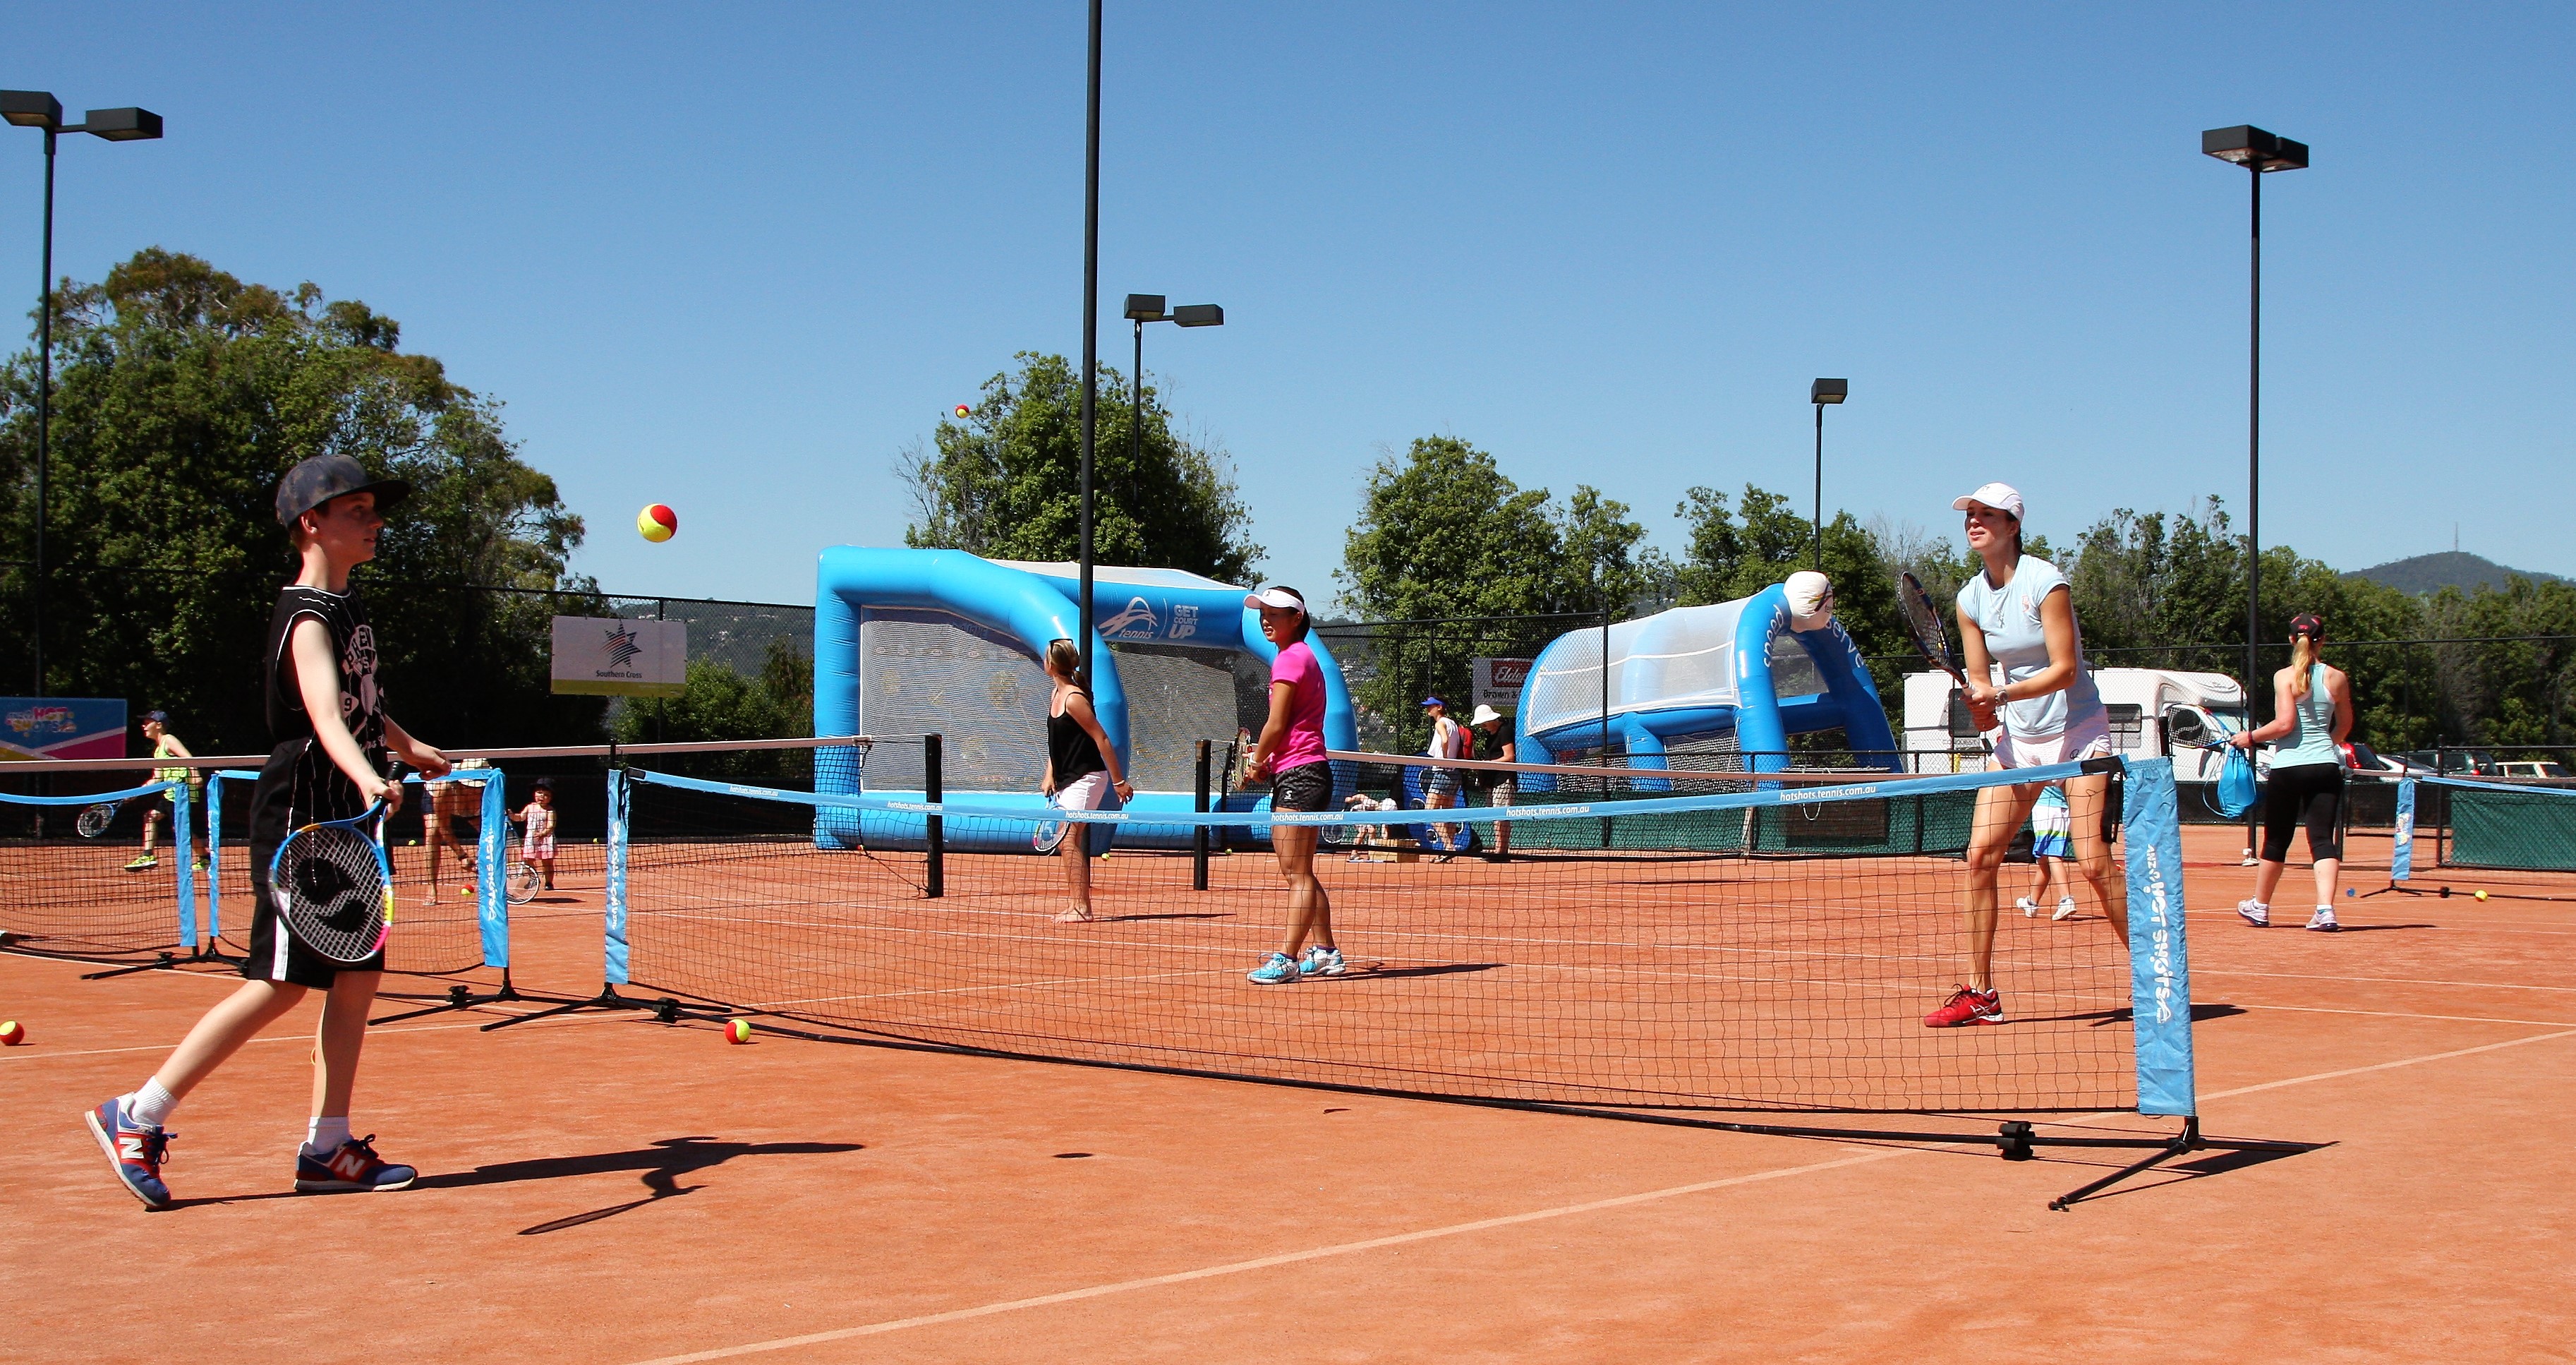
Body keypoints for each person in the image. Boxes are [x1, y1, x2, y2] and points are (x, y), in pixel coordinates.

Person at [86, 454, 449, 1209]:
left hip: (348, 818)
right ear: (310, 523)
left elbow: (355, 704)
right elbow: (322, 714)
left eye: (375, 509)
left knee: (358, 976)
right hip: (305, 814)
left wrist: (404, 744)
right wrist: (367, 772)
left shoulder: (350, 612)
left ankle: (328, 1145)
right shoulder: (306, 616)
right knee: (282, 980)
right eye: (357, 510)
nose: (375, 519)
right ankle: (139, 1112)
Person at [1928, 482, 2129, 1028]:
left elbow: (2065, 668)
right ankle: (1980, 993)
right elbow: (1978, 680)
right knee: (1979, 857)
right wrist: (1982, 706)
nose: (1974, 522)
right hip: (2018, 743)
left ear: (2012, 525)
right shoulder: (1969, 599)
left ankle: (2158, 975)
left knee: (2091, 861)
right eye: (1969, 515)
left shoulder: (2045, 582)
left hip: (2076, 732)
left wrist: (2003, 695)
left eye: (1986, 515)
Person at [1242, 585, 1342, 983]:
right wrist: (1269, 758)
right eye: (1263, 612)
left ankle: (1287, 958)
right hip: (1302, 770)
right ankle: (1327, 952)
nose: (1267, 619)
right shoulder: (1305, 657)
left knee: (1295, 873)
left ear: (1296, 618)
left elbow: (1277, 724)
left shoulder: (1289, 660)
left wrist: (1256, 759)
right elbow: (1287, 729)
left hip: (1302, 775)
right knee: (1301, 870)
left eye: (1276, 614)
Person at [2231, 613, 2353, 931]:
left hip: (2288, 768)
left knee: (2276, 840)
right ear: (2323, 640)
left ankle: (2260, 906)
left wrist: (2250, 737)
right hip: (2325, 767)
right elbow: (2345, 724)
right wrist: (2329, 745)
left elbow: (2285, 724)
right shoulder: (2337, 678)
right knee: (2323, 839)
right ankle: (2325, 910)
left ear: (2290, 640)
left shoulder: (2283, 676)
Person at [1039, 638, 1134, 923]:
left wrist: (1119, 782)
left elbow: (1102, 738)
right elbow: (1059, 742)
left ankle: (1081, 906)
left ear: (1053, 664)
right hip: (1068, 778)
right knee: (1069, 841)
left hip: (1088, 777)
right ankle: (1077, 903)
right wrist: (1050, 774)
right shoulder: (1056, 694)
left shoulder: (1074, 699)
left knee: (1069, 839)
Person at [128, 711, 204, 874]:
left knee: (182, 830)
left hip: (182, 792)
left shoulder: (169, 740)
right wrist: (137, 792)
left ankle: (205, 858)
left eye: (147, 723)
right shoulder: (158, 751)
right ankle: (148, 855)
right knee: (151, 817)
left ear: (159, 725)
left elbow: (187, 757)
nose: (143, 726)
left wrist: (196, 775)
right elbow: (157, 778)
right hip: (171, 793)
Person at [424, 757, 490, 902]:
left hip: (468, 808)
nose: (475, 790)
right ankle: (432, 886)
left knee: (493, 834)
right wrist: (462, 856)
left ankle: (494, 881)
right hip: (444, 800)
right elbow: (444, 826)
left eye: (478, 787)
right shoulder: (444, 789)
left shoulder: (491, 787)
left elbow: (493, 829)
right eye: (471, 786)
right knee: (433, 832)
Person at [2016, 783, 2080, 922]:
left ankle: (2066, 900)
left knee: (2053, 856)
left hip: (2045, 809)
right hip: (2062, 809)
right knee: (2043, 859)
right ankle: (2032, 903)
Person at [1418, 696, 1468, 856]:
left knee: (1430, 811)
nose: (1428, 709)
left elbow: (1445, 739)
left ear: (1439, 707)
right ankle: (1448, 850)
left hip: (1442, 771)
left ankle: (1448, 846)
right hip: (1454, 773)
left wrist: (1445, 757)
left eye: (1430, 706)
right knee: (1448, 812)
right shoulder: (1453, 723)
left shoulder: (1440, 723)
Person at [1469, 704, 1516, 861]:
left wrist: (1488, 765)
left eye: (1485, 722)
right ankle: (1500, 851)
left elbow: (1509, 757)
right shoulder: (1490, 735)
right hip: (1492, 781)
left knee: (1501, 815)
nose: (1483, 726)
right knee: (1495, 815)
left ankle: (1501, 852)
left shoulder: (1505, 730)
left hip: (1504, 779)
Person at [514, 779, 560, 892]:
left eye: (546, 795)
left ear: (550, 798)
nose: (542, 797)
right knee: (528, 859)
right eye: (539, 793)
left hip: (546, 839)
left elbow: (551, 826)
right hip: (531, 839)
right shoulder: (530, 807)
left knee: (547, 862)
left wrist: (542, 833)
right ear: (534, 794)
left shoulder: (550, 811)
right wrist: (511, 814)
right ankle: (534, 879)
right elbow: (520, 818)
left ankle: (549, 882)